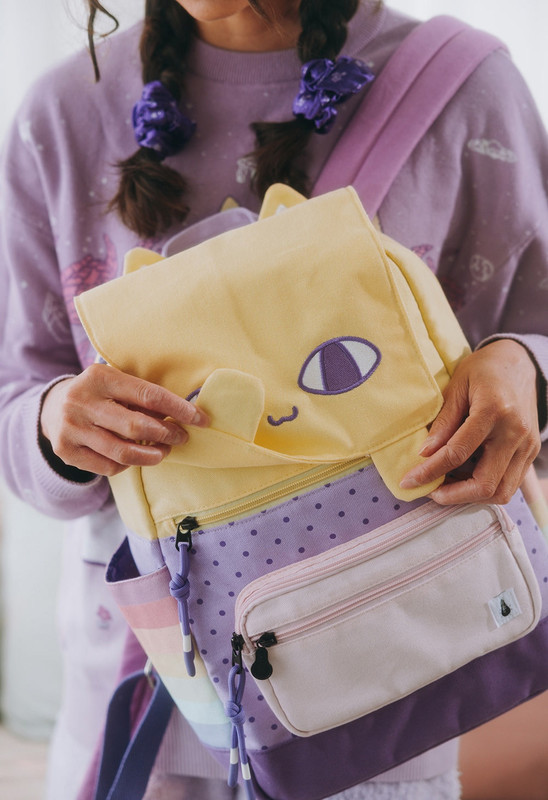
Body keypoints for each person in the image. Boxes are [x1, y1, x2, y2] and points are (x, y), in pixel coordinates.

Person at [0, 1, 547, 798]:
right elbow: (16, 397)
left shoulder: (464, 87)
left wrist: (523, 367)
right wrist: (57, 422)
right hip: (150, 686)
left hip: (386, 677)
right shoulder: (60, 113)